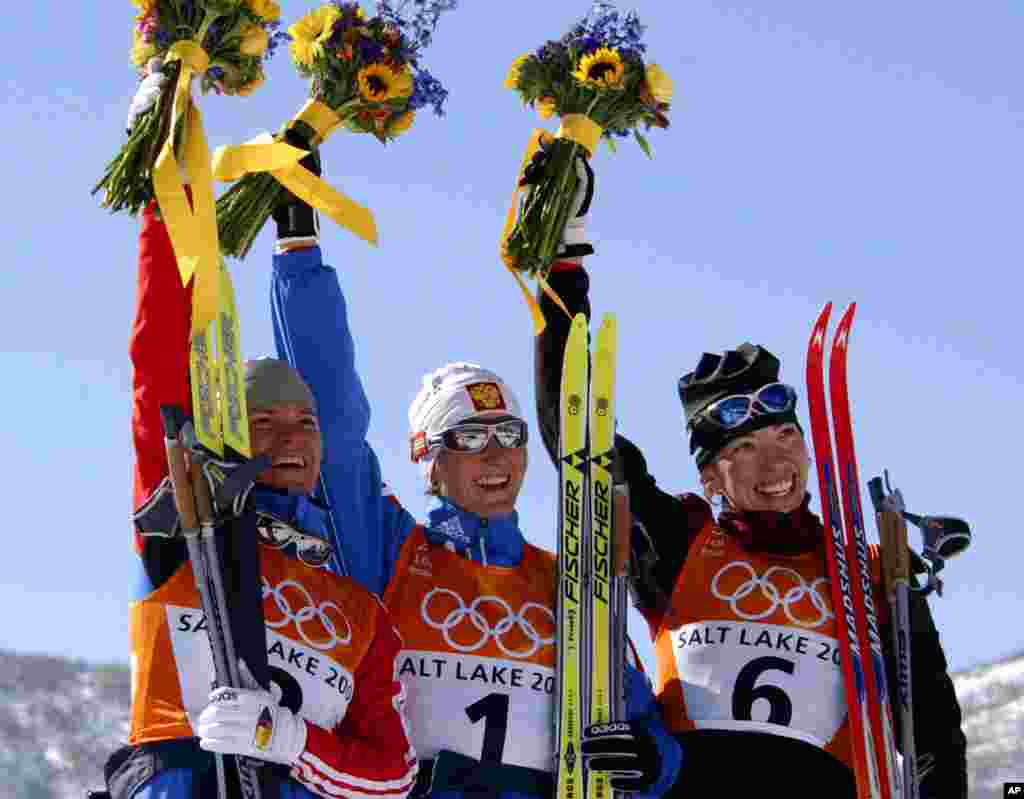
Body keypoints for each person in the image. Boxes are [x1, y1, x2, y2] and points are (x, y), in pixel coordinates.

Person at [531, 163, 968, 798]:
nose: (775, 465)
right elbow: (577, 439)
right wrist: (564, 273)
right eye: (744, 447)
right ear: (710, 473)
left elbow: (933, 738)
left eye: (787, 437)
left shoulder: (868, 575)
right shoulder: (679, 541)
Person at [267, 141, 683, 799]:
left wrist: (649, 760)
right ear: (429, 461)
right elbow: (334, 422)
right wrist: (298, 246)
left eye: (509, 435)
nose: (496, 455)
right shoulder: (391, 554)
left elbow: (643, 727)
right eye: (470, 437)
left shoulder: (564, 586)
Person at [101, 64, 418, 799]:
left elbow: (394, 772)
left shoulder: (355, 606)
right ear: (230, 434)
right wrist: (164, 197)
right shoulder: (182, 530)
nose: (293, 437)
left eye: (303, 424)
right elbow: (160, 366)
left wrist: (292, 739)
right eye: (263, 422)